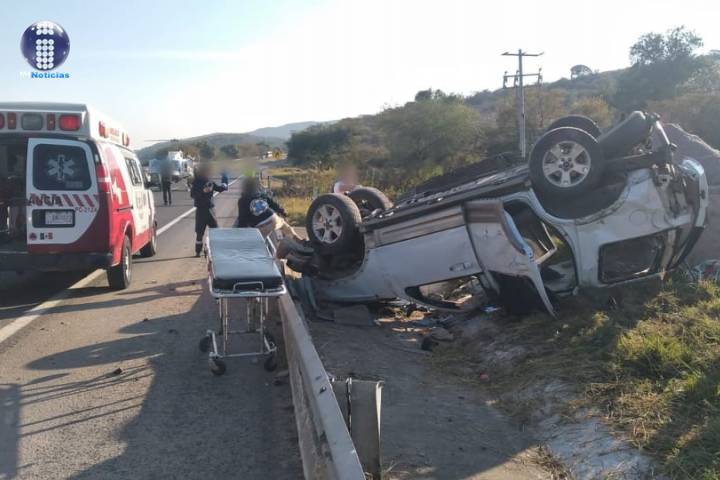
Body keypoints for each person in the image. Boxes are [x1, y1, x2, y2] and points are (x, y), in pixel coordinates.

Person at [236, 177, 303, 241]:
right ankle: (297, 239)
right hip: (273, 219)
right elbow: (274, 204)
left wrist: (239, 231)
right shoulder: (261, 194)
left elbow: (242, 219)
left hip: (261, 227)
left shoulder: (242, 200)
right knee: (283, 224)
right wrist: (283, 212)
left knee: (258, 243)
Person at [191, 163, 228, 256]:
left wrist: (224, 182)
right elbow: (193, 194)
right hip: (206, 210)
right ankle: (200, 251)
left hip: (202, 210)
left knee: (203, 232)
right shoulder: (198, 182)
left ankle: (199, 252)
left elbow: (220, 188)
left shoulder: (204, 181)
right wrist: (203, 191)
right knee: (209, 231)